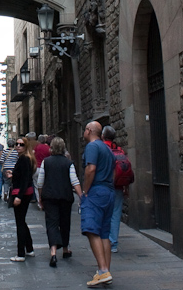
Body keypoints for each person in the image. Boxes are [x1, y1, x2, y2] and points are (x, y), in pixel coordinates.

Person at [37, 137, 82, 267]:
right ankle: (66, 249)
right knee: (64, 222)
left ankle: (53, 252)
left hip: (49, 197)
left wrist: (40, 196)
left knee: (51, 223)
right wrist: (82, 197)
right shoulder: (68, 163)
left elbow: (40, 182)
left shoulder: (46, 162)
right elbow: (75, 182)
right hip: (65, 197)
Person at [81, 121, 115, 287]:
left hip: (96, 191)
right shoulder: (107, 149)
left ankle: (102, 270)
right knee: (104, 233)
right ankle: (105, 271)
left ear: (89, 131)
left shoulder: (92, 147)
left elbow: (91, 169)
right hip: (109, 192)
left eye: (84, 130)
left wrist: (85, 191)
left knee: (91, 229)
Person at [8, 137, 37, 262]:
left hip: (22, 193)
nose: (18, 146)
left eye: (21, 144)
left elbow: (25, 179)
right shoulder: (24, 158)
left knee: (19, 222)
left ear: (26, 146)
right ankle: (29, 248)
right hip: (25, 192)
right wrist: (13, 174)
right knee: (22, 221)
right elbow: (23, 176)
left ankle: (21, 254)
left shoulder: (24, 159)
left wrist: (19, 197)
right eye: (17, 144)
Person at [102, 125, 130, 253]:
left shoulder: (101, 149)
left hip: (104, 186)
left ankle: (104, 241)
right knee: (116, 214)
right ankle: (113, 243)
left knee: (102, 214)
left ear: (103, 136)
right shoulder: (119, 150)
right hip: (118, 187)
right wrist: (126, 187)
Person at [33, 134, 50, 207]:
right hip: (45, 168)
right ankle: (45, 202)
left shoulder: (36, 147)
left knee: (37, 186)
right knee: (45, 185)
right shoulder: (48, 148)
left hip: (37, 168)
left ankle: (40, 204)